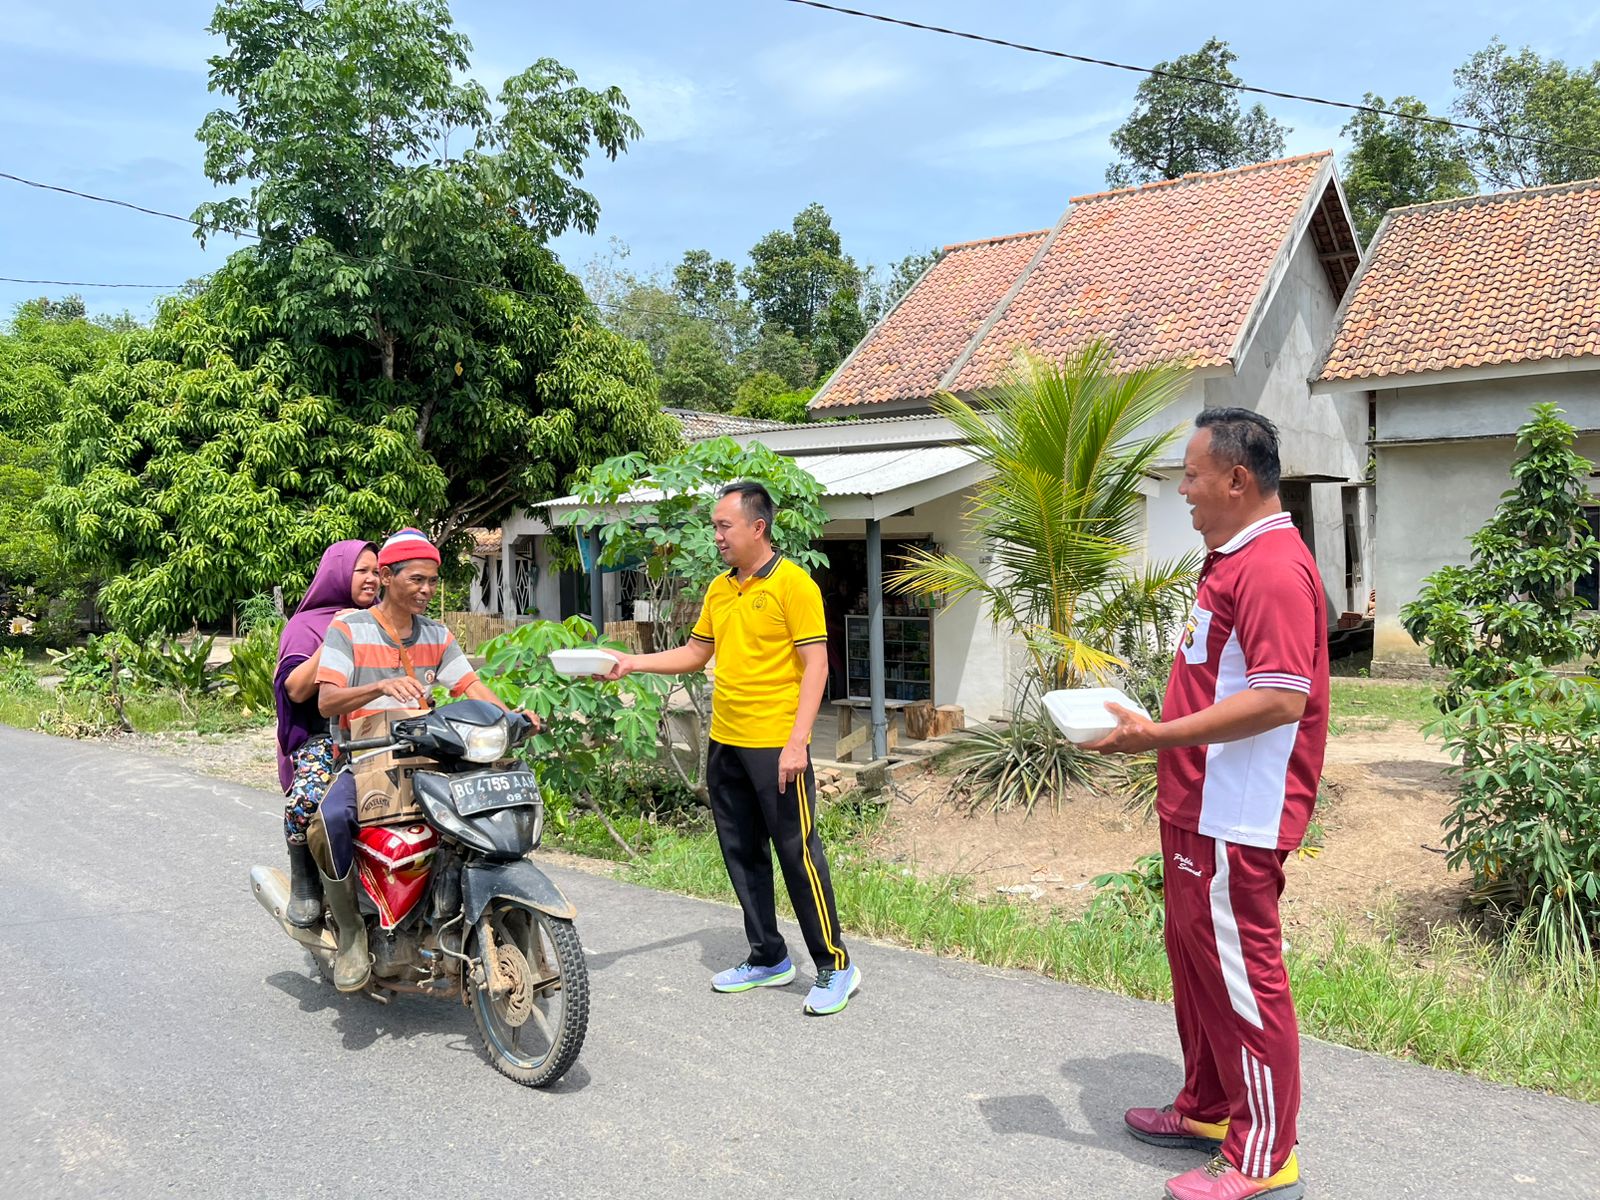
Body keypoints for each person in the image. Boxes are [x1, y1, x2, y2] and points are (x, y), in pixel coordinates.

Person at [1083, 409, 1328, 1200]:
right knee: (1198, 966)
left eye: (1190, 474)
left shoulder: (1272, 568)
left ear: (1237, 479)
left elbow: (1281, 699)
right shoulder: (1229, 558)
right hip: (1195, 800)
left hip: (1237, 810)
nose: (1181, 488)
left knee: (1243, 974)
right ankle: (1212, 1106)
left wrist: (1157, 736)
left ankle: (1265, 1153)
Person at [602, 481, 859, 1016]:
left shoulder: (795, 585)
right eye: (715, 526)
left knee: (797, 853)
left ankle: (835, 964)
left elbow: (817, 666)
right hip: (727, 741)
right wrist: (632, 663)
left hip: (777, 746)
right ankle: (768, 956)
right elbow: (697, 653)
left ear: (757, 527)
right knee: (741, 852)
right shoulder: (720, 588)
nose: (715, 535)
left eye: (724, 526)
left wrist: (797, 742)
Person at [310, 528, 535, 992]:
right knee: (331, 817)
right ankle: (352, 933)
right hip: (364, 758)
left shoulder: (437, 634)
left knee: (477, 819)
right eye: (416, 580)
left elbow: (470, 688)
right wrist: (378, 687)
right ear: (388, 577)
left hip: (429, 758)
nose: (427, 590)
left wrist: (512, 717)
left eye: (433, 581)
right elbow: (327, 701)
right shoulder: (347, 628)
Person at [273, 539, 380, 928]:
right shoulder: (306, 626)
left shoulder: (384, 619)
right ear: (338, 573)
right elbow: (296, 689)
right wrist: (338, 633)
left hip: (379, 731)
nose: (372, 579)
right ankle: (305, 882)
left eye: (376, 571)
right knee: (307, 799)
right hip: (326, 738)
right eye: (362, 571)